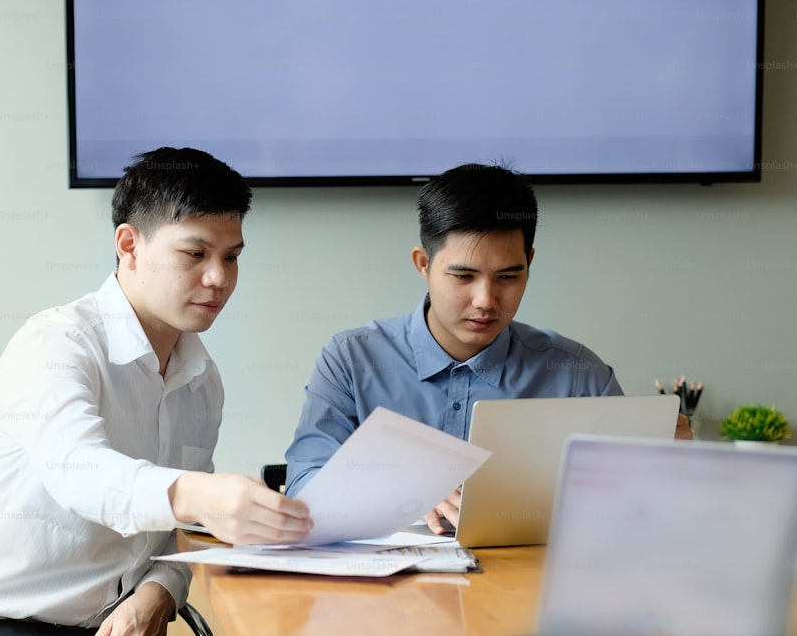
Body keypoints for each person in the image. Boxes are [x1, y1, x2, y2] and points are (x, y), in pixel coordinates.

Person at [0, 147, 312, 636]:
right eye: (195, 254)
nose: (219, 278)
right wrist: (200, 494)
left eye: (231, 256)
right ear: (129, 245)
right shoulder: (56, 344)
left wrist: (156, 596)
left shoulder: (202, 379)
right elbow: (85, 475)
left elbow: (175, 538)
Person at [284, 163, 691, 534]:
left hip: (526, 595)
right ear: (423, 263)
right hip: (386, 594)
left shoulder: (577, 373)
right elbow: (304, 486)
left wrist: (671, 471)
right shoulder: (353, 359)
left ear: (530, 262)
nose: (486, 300)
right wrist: (400, 488)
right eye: (463, 276)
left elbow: (632, 512)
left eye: (509, 276)